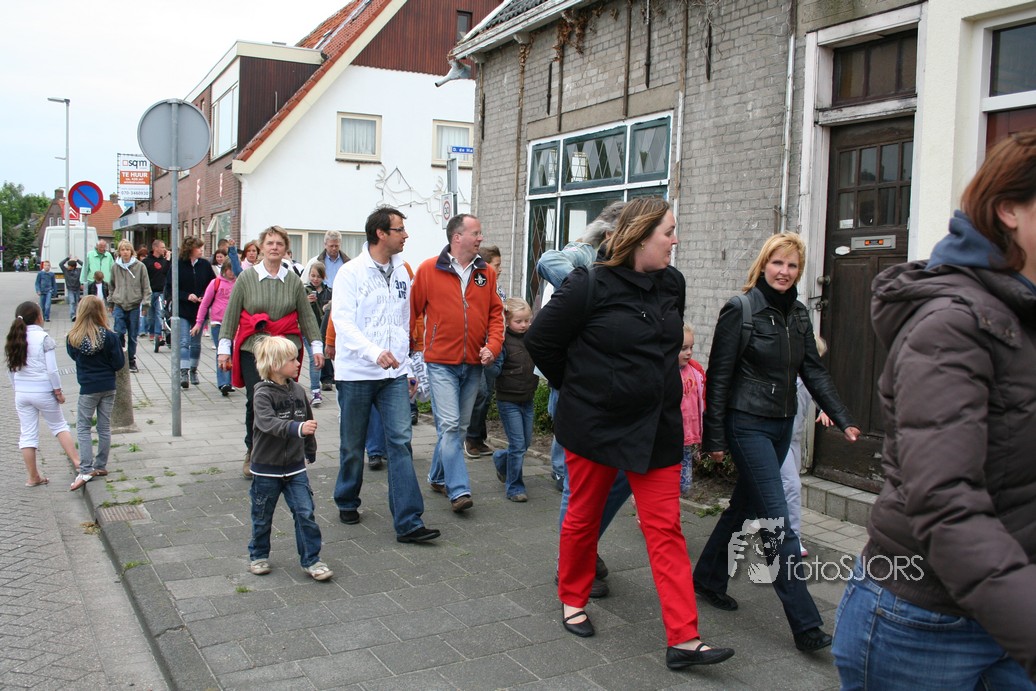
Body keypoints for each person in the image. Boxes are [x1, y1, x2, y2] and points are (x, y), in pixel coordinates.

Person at [833, 131, 1036, 686]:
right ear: (1010, 210)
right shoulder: (952, 325)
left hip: (1010, 611)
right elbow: (944, 497)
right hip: (923, 623)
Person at [526, 197, 734, 670]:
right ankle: (572, 599)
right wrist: (579, 389)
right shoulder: (589, 283)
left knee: (665, 529)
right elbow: (541, 341)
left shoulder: (672, 283)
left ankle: (684, 639)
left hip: (657, 426)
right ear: (641, 235)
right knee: (584, 516)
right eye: (669, 232)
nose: (676, 240)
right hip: (596, 426)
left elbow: (665, 347)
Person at [692, 232, 859, 653]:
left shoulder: (799, 314)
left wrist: (841, 417)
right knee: (776, 520)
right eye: (778, 263)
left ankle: (707, 576)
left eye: (792, 266)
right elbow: (719, 377)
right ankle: (806, 625)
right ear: (764, 265)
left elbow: (813, 371)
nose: (784, 272)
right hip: (747, 425)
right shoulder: (741, 309)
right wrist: (714, 437)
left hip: (782, 425)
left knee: (744, 507)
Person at [330, 206, 441, 543]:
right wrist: (373, 352)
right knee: (353, 445)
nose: (406, 235)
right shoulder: (350, 273)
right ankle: (347, 498)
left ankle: (409, 522)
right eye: (399, 229)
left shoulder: (404, 272)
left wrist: (407, 368)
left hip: (393, 376)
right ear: (381, 233)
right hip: (356, 373)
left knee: (401, 443)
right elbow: (343, 322)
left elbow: (404, 322)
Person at [538, 201, 628, 597]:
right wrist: (594, 289)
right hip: (578, 386)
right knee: (576, 483)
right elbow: (547, 260)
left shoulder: (630, 266)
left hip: (609, 391)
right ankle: (569, 563)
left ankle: (583, 547)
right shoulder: (584, 255)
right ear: (609, 233)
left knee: (618, 478)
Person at [410, 213, 504, 513]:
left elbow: (496, 315)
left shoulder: (485, 272)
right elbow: (412, 312)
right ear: (457, 237)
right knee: (450, 426)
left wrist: (493, 346)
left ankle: (438, 476)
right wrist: (414, 351)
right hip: (440, 363)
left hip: (474, 363)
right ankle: (459, 489)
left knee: (459, 428)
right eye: (476, 233)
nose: (480, 238)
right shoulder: (428, 269)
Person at [217, 225, 323, 478]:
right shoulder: (246, 278)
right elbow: (231, 314)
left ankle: (285, 450)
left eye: (279, 244)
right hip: (254, 349)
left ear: (286, 249)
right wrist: (223, 349)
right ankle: (253, 450)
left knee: (285, 399)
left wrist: (317, 347)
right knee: (256, 400)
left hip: (285, 350)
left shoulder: (293, 281)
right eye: (270, 243)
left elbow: (307, 317)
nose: (274, 247)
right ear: (261, 248)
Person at [246, 335, 332, 581]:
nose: (298, 363)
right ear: (275, 365)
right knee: (262, 516)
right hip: (266, 469)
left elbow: (308, 421)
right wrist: (297, 428)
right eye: (292, 360)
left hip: (295, 468)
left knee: (305, 513)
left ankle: (312, 560)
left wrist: (310, 449)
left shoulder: (298, 390)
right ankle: (258, 555)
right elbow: (267, 423)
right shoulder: (262, 394)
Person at [6, 301, 80, 486]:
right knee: (59, 426)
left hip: (22, 393)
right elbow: (52, 370)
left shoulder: (14, 337)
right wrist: (58, 391)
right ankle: (78, 463)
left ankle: (33, 477)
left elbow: (10, 369)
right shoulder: (43, 338)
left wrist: (17, 388)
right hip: (43, 390)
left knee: (27, 434)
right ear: (39, 317)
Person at [66, 295, 124, 491]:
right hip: (108, 386)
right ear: (101, 312)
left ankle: (85, 468)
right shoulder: (110, 337)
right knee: (104, 426)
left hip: (88, 388)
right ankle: (100, 465)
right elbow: (119, 363)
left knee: (83, 427)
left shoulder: (73, 337)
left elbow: (74, 357)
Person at [492, 297, 537, 502]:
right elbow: (494, 371)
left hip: (527, 398)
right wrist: (488, 361)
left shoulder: (532, 338)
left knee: (524, 444)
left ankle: (501, 458)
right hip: (508, 400)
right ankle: (514, 487)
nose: (524, 325)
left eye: (527, 320)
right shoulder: (502, 341)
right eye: (519, 321)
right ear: (507, 321)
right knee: (518, 445)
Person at [464, 243, 503, 459]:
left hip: (495, 349)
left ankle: (479, 438)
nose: (500, 269)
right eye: (497, 265)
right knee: (480, 393)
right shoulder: (477, 286)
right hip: (478, 349)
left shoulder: (497, 288)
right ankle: (470, 438)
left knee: (486, 395)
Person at [168, 236, 215, 389]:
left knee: (195, 343)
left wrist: (204, 296)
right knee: (184, 341)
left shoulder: (205, 265)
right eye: (198, 248)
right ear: (190, 249)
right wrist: (186, 296)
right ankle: (184, 371)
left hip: (199, 310)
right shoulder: (178, 265)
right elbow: (170, 287)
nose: (201, 250)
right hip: (183, 309)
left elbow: (212, 285)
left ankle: (193, 369)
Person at [192, 260, 236, 395]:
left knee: (232, 352)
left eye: (233, 269)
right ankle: (224, 382)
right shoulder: (215, 283)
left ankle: (230, 380)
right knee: (222, 350)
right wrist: (199, 323)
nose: (232, 272)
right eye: (229, 269)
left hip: (235, 323)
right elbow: (204, 304)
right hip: (218, 323)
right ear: (224, 270)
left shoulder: (239, 283)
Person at [109, 240, 150, 374]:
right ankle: (121, 359)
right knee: (119, 332)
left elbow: (146, 286)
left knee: (132, 335)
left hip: (134, 304)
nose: (125, 252)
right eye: (122, 250)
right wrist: (111, 302)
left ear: (131, 252)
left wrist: (145, 304)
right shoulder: (115, 267)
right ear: (119, 252)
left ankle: (131, 360)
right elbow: (111, 285)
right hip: (119, 303)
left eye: (127, 250)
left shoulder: (140, 267)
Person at [678, 323, 705, 499]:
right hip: (670, 439)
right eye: (683, 348)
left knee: (684, 486)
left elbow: (701, 401)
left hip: (688, 439)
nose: (689, 352)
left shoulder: (695, 371)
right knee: (667, 485)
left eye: (691, 347)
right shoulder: (665, 372)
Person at [304, 262, 332, 406]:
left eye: (318, 276)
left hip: (323, 330)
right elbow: (297, 307)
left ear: (323, 277)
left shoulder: (329, 292)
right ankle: (315, 390)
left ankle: (320, 386)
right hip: (308, 330)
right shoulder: (305, 290)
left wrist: (330, 305)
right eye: (313, 276)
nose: (315, 279)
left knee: (321, 358)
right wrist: (306, 302)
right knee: (313, 357)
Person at [144, 240, 170, 343]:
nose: (164, 249)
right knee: (150, 316)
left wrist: (168, 260)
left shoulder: (165, 261)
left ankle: (158, 334)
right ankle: (151, 332)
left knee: (160, 312)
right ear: (155, 248)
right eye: (162, 247)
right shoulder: (146, 262)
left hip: (161, 291)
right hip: (150, 291)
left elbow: (167, 272)